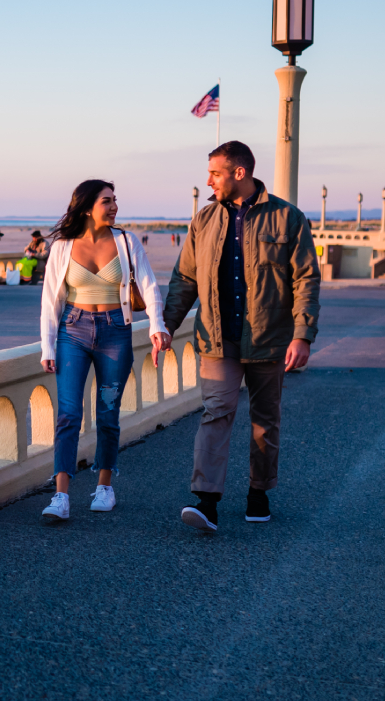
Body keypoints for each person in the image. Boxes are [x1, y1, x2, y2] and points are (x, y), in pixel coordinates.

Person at [160, 141, 321, 532]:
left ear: (239, 173)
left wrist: (302, 335)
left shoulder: (287, 217)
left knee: (265, 421)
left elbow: (306, 279)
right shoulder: (204, 220)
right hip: (217, 339)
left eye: (214, 173)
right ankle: (207, 501)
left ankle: (258, 492)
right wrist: (166, 325)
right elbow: (185, 278)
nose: (208, 180)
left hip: (270, 339)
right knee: (216, 413)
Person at [38, 180, 166, 521]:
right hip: (72, 331)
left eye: (114, 200)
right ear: (86, 208)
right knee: (68, 414)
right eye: (106, 201)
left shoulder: (126, 242)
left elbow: (150, 286)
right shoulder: (64, 246)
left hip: (115, 332)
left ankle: (105, 486)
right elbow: (51, 299)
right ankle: (61, 496)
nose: (114, 207)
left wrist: (158, 326)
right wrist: (47, 345)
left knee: (108, 413)